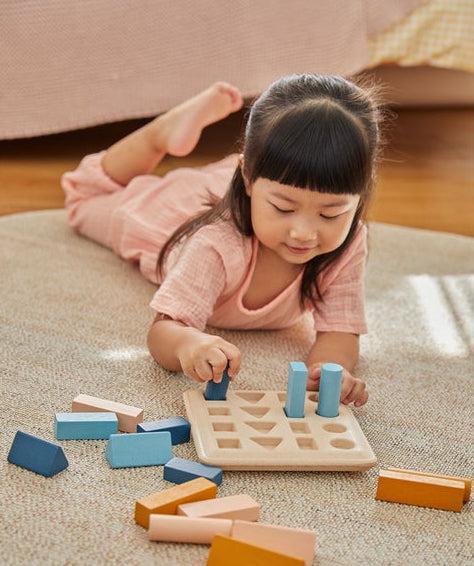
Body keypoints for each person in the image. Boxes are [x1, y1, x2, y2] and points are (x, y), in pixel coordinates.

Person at [61, 75, 386, 408]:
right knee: (83, 196)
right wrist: (189, 344)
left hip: (245, 186)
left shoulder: (349, 240)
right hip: (173, 212)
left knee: (284, 189)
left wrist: (332, 372)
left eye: (330, 214)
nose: (304, 233)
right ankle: (161, 135)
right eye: (283, 208)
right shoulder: (214, 244)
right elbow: (163, 332)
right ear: (247, 180)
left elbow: (340, 331)